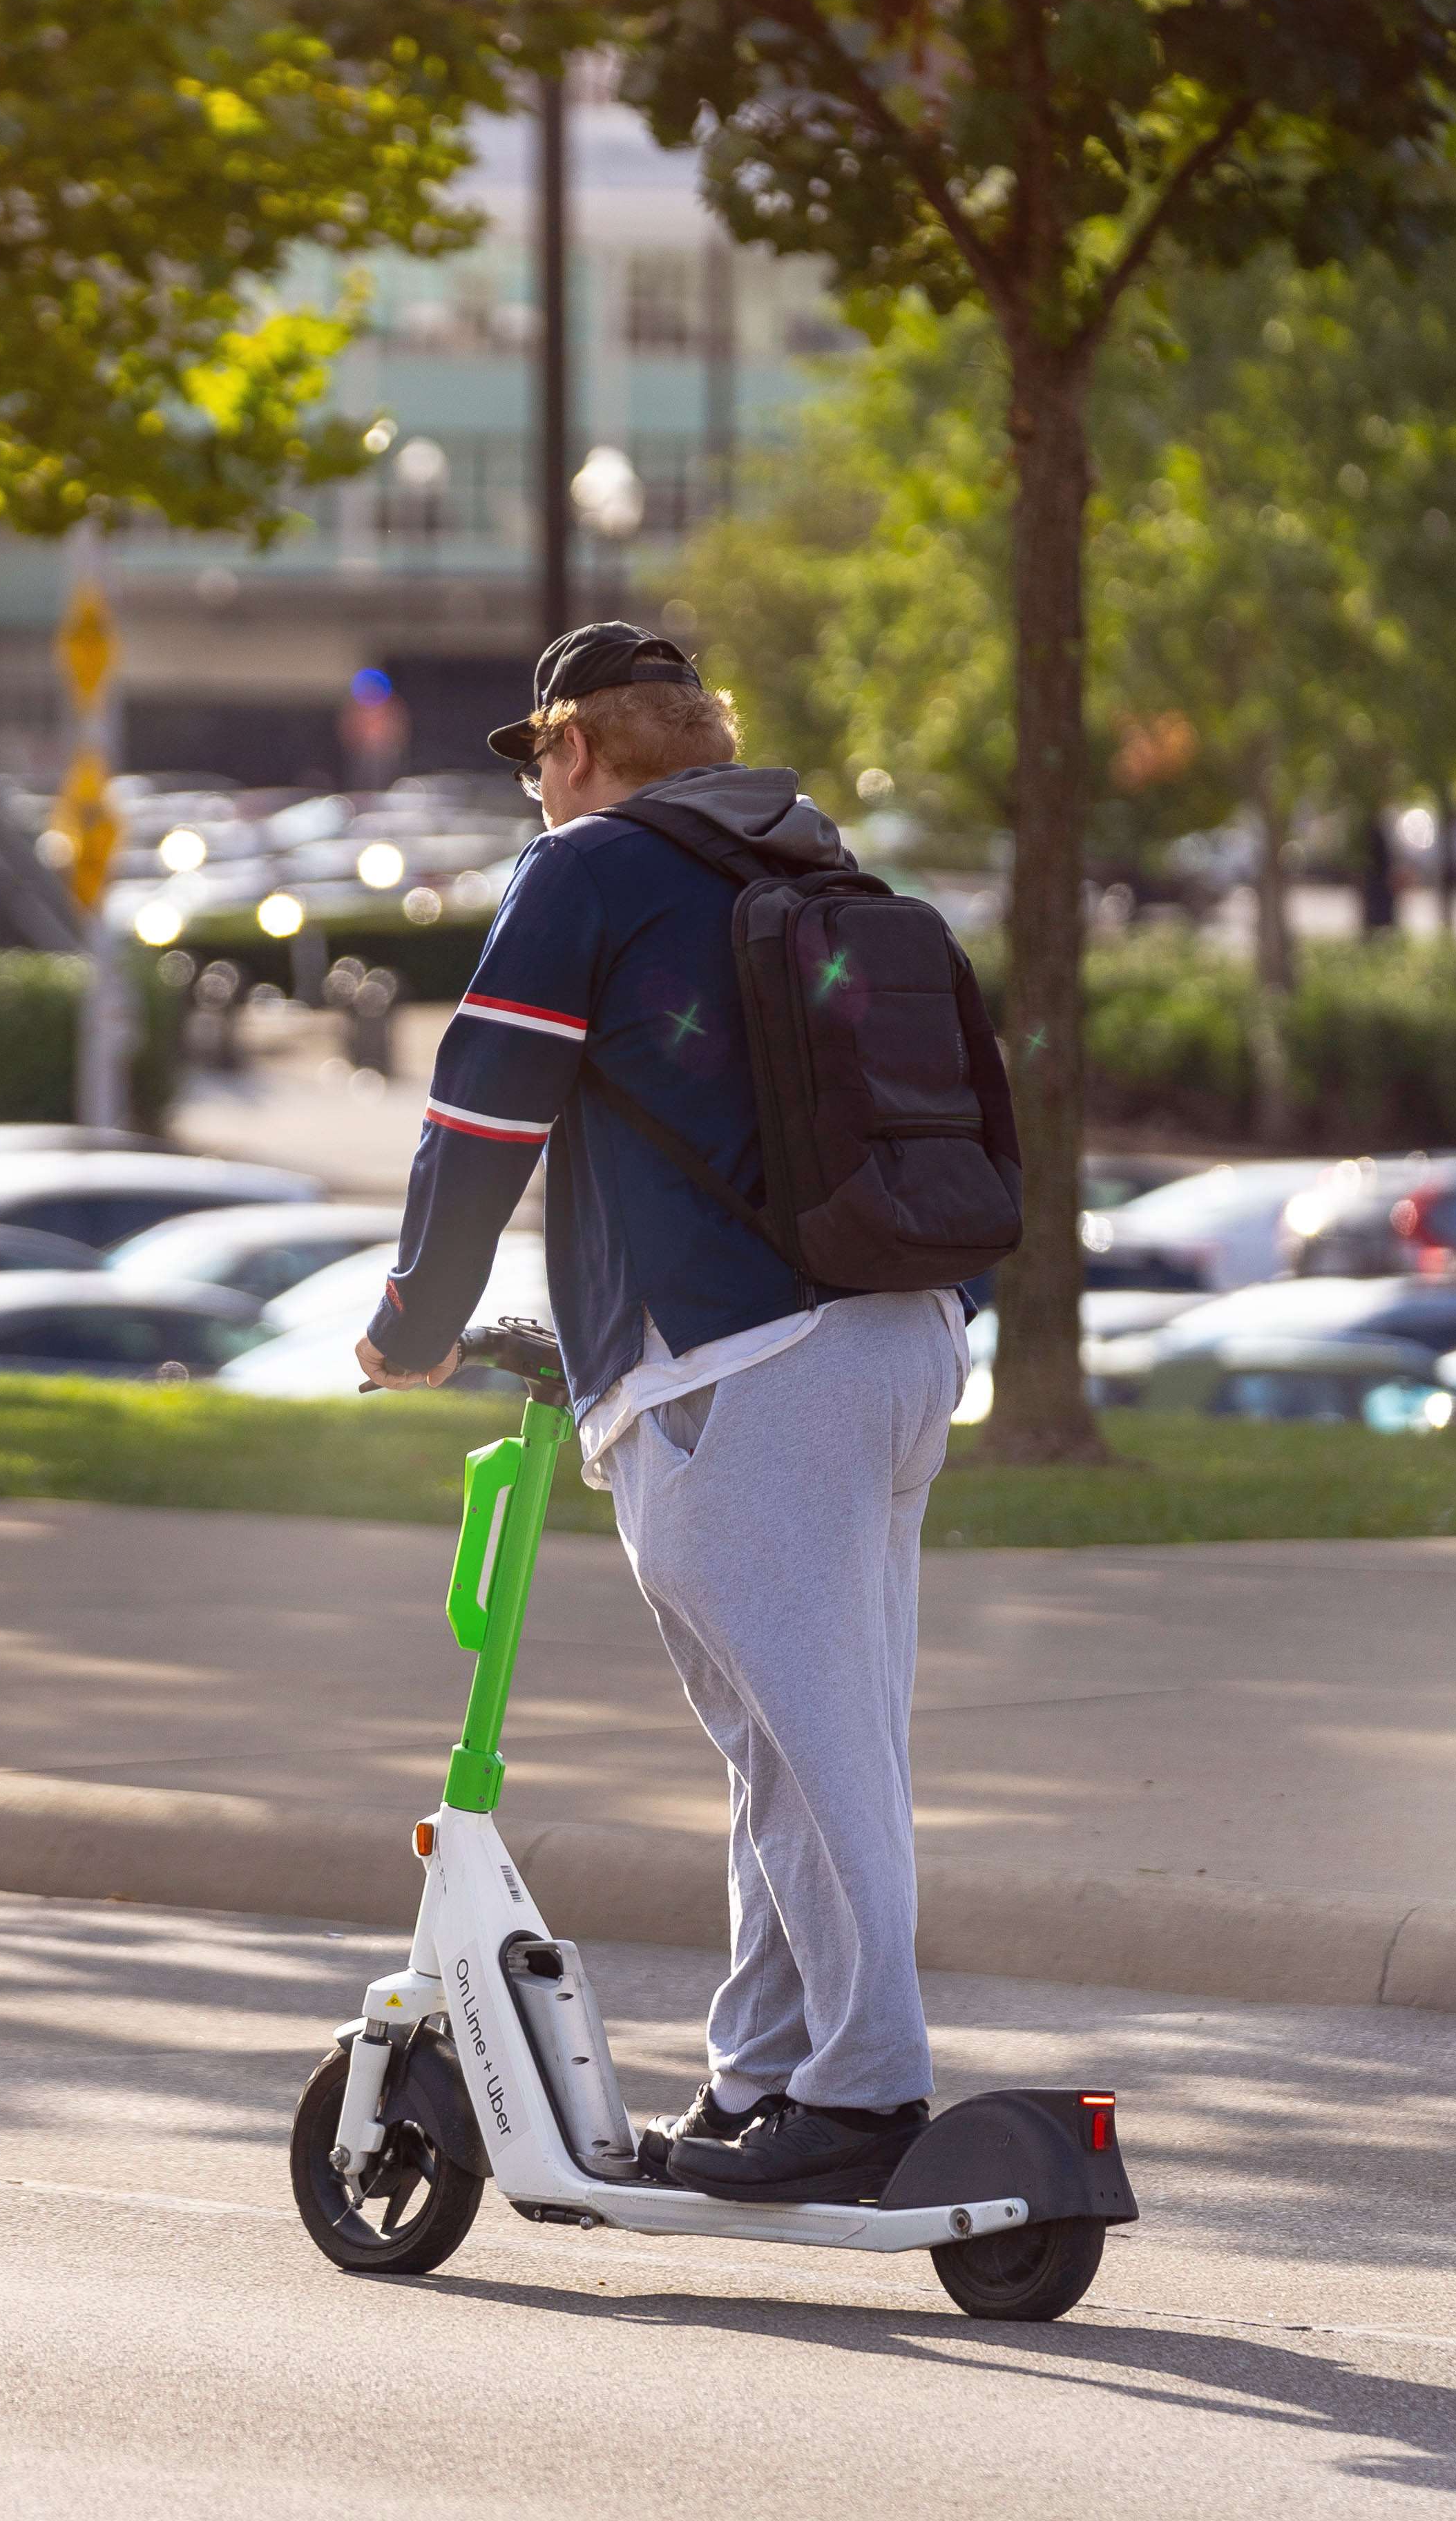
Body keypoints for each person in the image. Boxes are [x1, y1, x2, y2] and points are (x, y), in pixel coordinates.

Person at [354, 621, 990, 2205]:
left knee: (814, 1740)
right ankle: (765, 2072)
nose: (537, 791)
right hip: (902, 1334)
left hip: (742, 1362)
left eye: (537, 762)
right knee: (787, 1731)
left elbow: (481, 1112)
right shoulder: (815, 860)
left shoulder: (588, 870)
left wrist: (412, 1323)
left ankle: (866, 2084)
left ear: (571, 747)